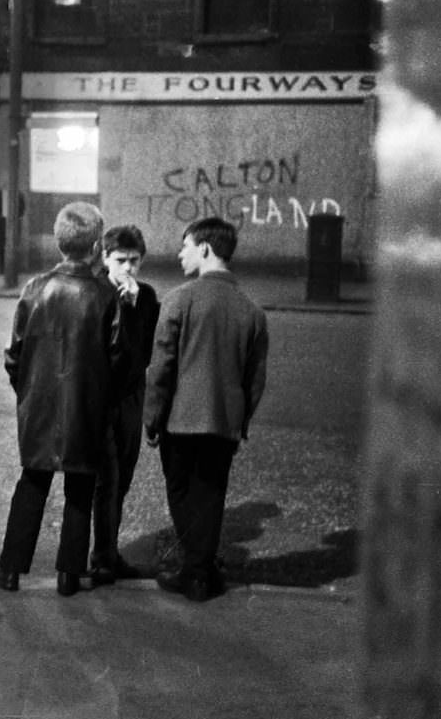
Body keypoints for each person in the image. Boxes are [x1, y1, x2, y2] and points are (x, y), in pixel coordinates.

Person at [0, 201, 128, 597]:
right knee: (80, 490)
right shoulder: (105, 295)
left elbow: (15, 354)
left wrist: (29, 391)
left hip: (40, 407)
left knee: (32, 483)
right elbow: (118, 359)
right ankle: (69, 573)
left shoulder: (35, 289)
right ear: (98, 245)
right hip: (87, 408)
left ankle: (10, 568)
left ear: (59, 240)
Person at [143, 216, 269, 602]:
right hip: (224, 423)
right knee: (212, 494)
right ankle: (201, 569)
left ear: (205, 249)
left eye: (185, 246)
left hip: (180, 420)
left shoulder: (180, 299)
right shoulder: (252, 311)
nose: (180, 253)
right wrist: (241, 420)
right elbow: (255, 379)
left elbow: (161, 367)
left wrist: (151, 417)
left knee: (181, 491)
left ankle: (194, 572)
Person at [90, 224, 160, 585]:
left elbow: (144, 353)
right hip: (102, 399)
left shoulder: (146, 297)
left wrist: (133, 309)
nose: (128, 268)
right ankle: (102, 557)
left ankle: (108, 550)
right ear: (105, 258)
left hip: (131, 397)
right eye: (120, 260)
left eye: (134, 260)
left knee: (124, 477)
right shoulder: (95, 292)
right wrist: (122, 309)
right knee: (107, 479)